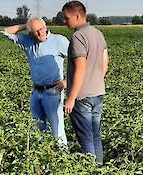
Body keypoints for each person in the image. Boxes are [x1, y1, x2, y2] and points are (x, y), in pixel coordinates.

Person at [1, 17, 69, 146]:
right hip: (36, 92)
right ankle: (41, 159)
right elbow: (6, 31)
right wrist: (25, 25)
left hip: (53, 92)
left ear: (46, 27)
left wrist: (67, 81)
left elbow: (78, 60)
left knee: (57, 131)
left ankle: (62, 158)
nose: (40, 33)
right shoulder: (28, 42)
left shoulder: (59, 41)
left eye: (41, 29)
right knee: (37, 130)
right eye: (36, 31)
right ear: (30, 33)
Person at [62, 1, 109, 164]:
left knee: (86, 139)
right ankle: (100, 172)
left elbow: (80, 69)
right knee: (95, 136)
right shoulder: (98, 33)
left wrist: (71, 98)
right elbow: (105, 65)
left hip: (82, 97)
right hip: (98, 93)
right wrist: (94, 81)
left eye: (66, 18)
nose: (65, 21)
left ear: (77, 16)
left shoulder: (77, 37)